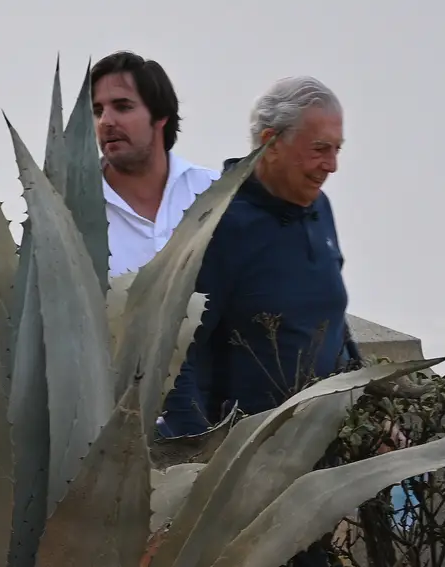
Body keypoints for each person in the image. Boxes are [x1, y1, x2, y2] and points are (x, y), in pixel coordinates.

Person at [161, 76, 355, 566]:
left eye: (336, 149)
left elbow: (330, 318)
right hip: (240, 478)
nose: (330, 166)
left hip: (312, 469)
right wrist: (200, 463)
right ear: (270, 142)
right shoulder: (222, 222)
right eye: (318, 149)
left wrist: (368, 399)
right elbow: (175, 350)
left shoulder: (319, 209)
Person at [90, 50, 221, 278]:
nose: (106, 121)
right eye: (97, 111)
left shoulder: (212, 192)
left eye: (123, 107)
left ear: (160, 115)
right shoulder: (71, 210)